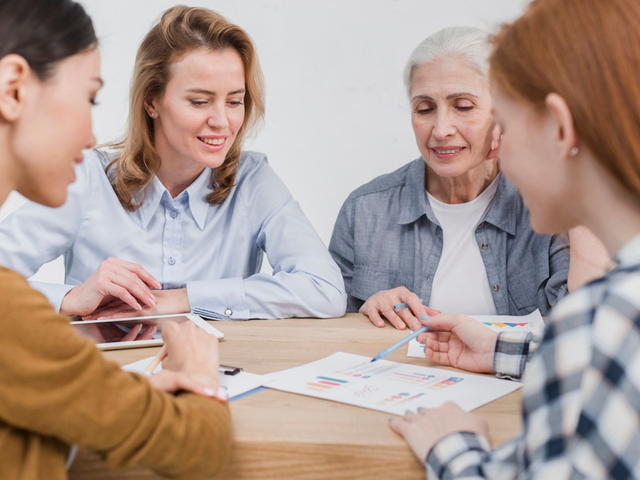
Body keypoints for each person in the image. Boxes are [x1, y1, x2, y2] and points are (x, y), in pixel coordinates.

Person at [390, 0, 640, 477]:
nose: (493, 146)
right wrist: (501, 350)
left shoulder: (604, 319)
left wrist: (455, 450)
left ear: (560, 128)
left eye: (500, 121)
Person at [0, 0, 234, 479]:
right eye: (88, 98)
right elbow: (196, 447)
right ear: (13, 88)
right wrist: (197, 371)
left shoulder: (255, 178)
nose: (91, 136)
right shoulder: (10, 318)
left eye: (235, 100)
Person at [0, 6, 346, 321]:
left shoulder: (253, 180)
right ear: (152, 101)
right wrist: (69, 297)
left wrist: (185, 298)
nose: (222, 121)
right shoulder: (89, 178)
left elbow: (325, 290)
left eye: (235, 101)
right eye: (199, 101)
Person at [329, 26, 608, 331]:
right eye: (424, 109)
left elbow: (593, 324)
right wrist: (366, 311)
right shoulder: (365, 208)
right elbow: (332, 325)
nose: (440, 129)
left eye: (463, 106)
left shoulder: (549, 205)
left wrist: (568, 179)